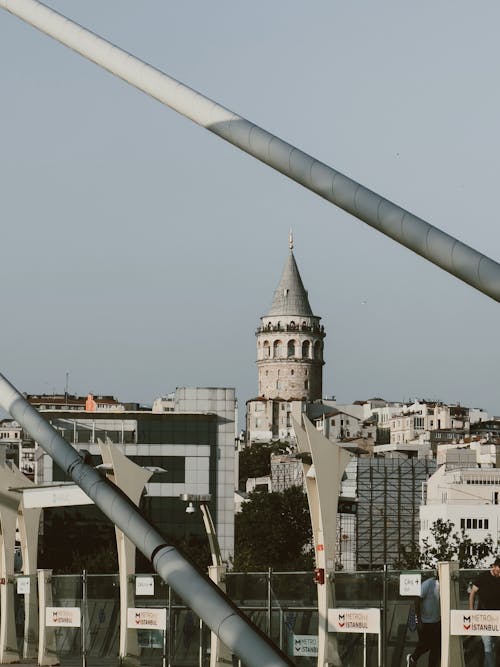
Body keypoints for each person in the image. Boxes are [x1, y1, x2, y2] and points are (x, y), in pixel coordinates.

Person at [468, 557, 500, 667]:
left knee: (493, 645)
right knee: (487, 644)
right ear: (494, 567)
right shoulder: (483, 577)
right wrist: (471, 611)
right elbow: (472, 593)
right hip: (483, 616)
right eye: (498, 571)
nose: (499, 574)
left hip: (497, 617)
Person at [406, 575, 441, 667]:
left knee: (436, 647)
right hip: (425, 621)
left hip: (437, 621)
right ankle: (413, 657)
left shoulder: (446, 585)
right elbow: (417, 600)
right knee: (426, 644)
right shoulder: (428, 584)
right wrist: (418, 620)